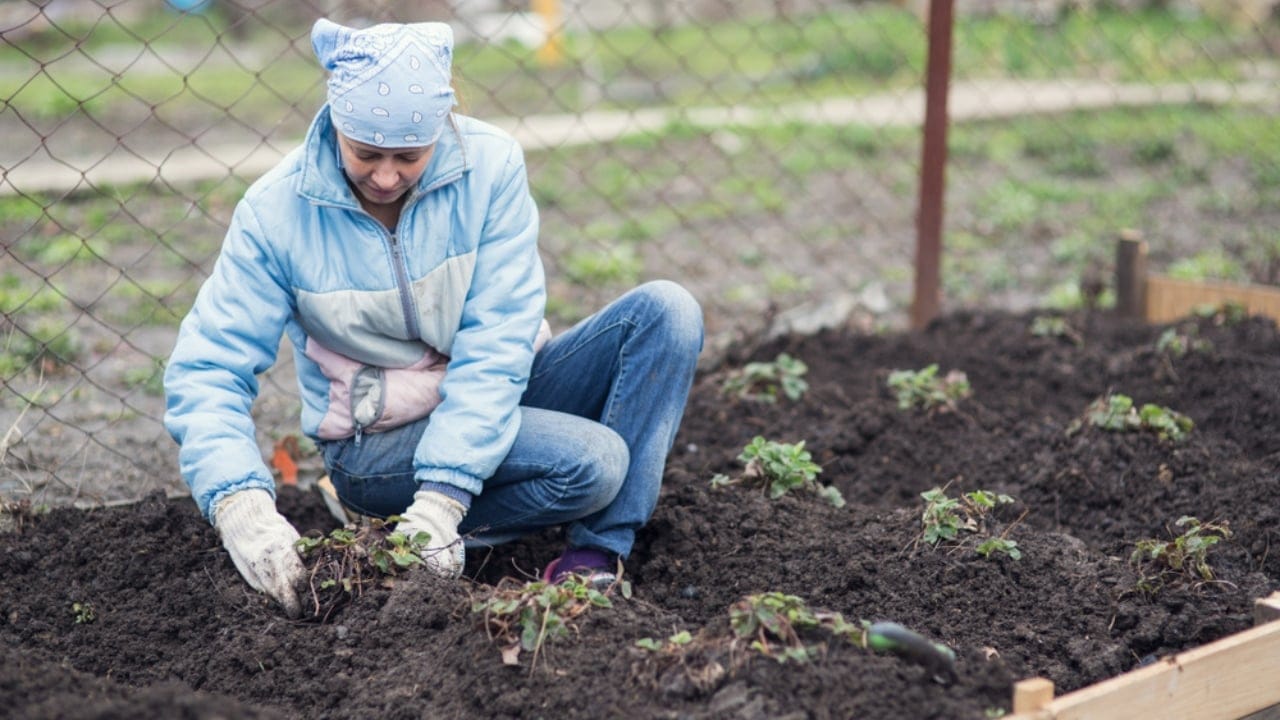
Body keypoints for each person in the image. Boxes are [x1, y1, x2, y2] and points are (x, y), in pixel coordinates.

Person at [163, 18, 703, 618]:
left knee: (666, 311)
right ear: (336, 124)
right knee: (594, 462)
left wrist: (444, 500)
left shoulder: (490, 169)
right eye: (366, 153)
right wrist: (242, 510)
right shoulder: (276, 214)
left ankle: (595, 555)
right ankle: (386, 519)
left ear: (441, 131)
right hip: (376, 444)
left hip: (486, 394)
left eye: (409, 156)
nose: (387, 176)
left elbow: (499, 341)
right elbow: (207, 368)